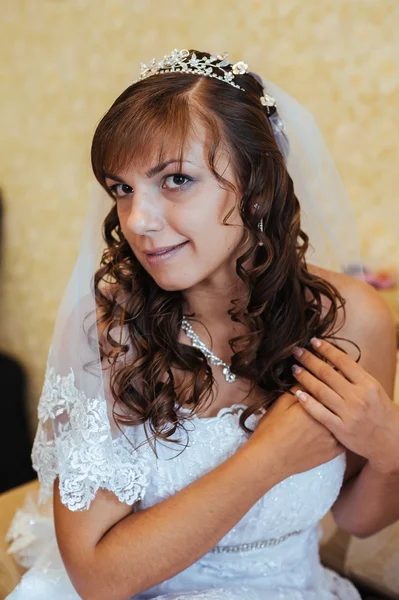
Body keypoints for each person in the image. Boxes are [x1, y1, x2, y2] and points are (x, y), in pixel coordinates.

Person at [5, 48, 399, 600]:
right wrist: (266, 459)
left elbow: (357, 516)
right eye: (122, 188)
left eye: (175, 180)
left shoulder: (353, 319)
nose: (138, 220)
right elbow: (97, 577)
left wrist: (389, 446)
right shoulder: (111, 328)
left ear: (257, 186)